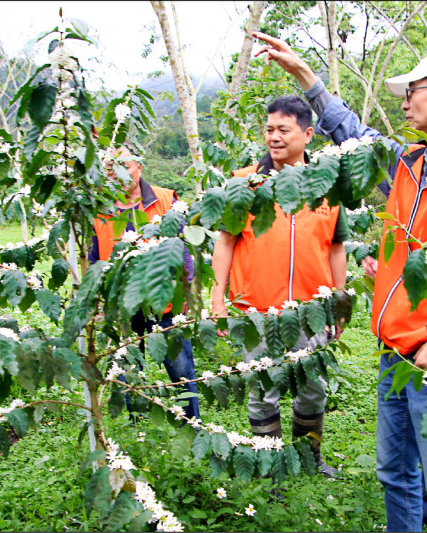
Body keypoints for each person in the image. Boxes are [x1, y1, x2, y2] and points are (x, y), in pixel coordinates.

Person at [252, 32, 427, 531]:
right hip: (394, 354)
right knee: (395, 476)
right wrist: (305, 77)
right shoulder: (409, 165)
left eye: (412, 89)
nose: (403, 100)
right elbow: (350, 132)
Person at [210, 95, 349, 477]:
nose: (273, 137)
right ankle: (271, 467)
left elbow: (336, 247)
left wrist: (339, 300)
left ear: (307, 134)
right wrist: (217, 296)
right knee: (261, 392)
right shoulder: (244, 182)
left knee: (313, 389)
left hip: (312, 311)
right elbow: (225, 240)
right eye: (268, 129)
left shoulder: (326, 183)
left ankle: (310, 459)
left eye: (283, 130)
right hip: (257, 311)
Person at [90, 144, 200, 422]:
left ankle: (191, 423)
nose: (119, 174)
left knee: (181, 371)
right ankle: (138, 430)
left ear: (139, 167)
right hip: (123, 308)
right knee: (126, 372)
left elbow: (185, 247)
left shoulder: (165, 200)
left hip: (166, 304)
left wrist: (188, 286)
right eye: (111, 169)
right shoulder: (99, 209)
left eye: (125, 165)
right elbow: (94, 258)